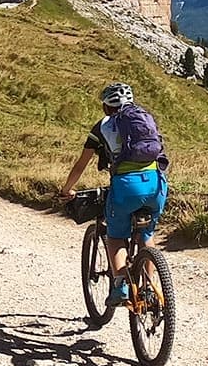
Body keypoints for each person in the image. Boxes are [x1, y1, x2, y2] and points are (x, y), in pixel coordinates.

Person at [60, 81, 169, 303]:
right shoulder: (144, 119)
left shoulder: (102, 126)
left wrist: (67, 189)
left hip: (125, 186)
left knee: (116, 236)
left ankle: (120, 285)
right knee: (146, 235)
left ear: (105, 106)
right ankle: (150, 288)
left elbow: (81, 164)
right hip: (156, 183)